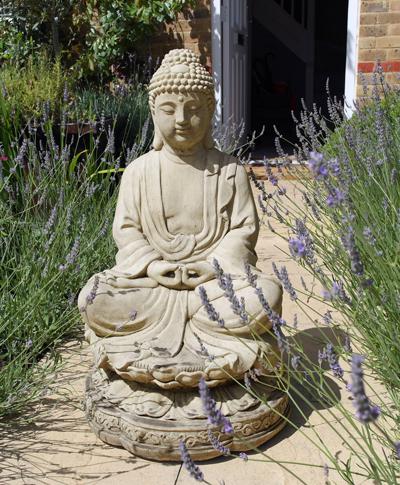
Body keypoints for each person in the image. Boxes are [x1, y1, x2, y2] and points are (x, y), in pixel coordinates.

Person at [78, 49, 282, 390]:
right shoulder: (139, 171)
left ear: (210, 111)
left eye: (194, 109)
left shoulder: (230, 171)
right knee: (93, 298)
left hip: (213, 286)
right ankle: (205, 335)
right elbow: (126, 229)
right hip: (153, 287)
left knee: (266, 296)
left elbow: (243, 230)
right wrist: (154, 267)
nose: (182, 120)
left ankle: (183, 331)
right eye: (169, 110)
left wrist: (214, 266)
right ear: (153, 112)